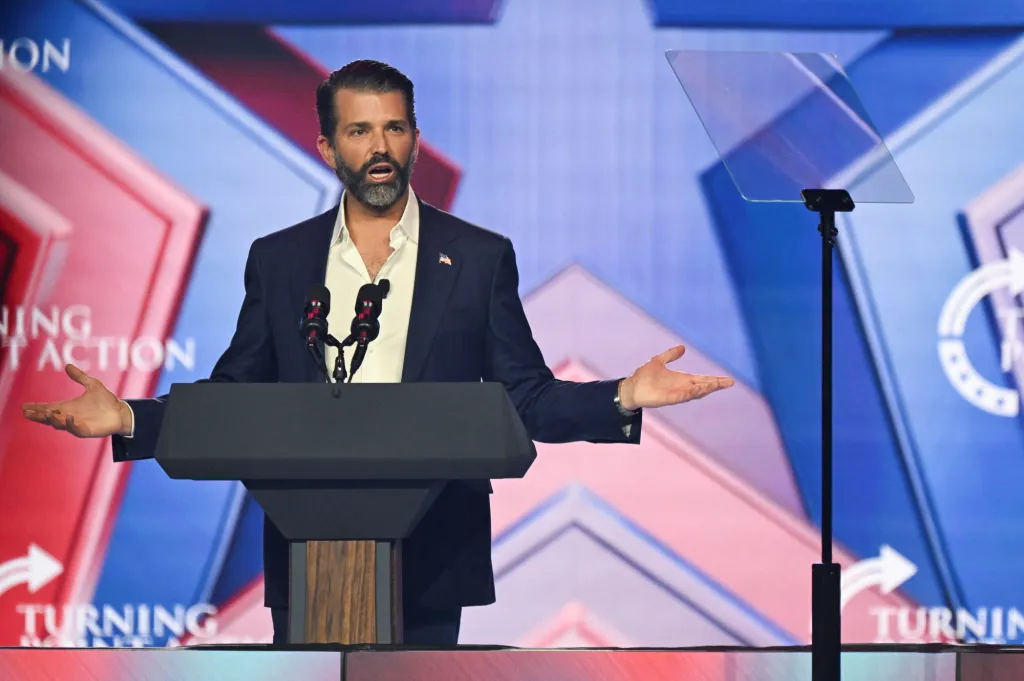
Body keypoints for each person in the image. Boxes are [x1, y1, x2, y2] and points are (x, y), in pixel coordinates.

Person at [22, 59, 734, 646]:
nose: (380, 146)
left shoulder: (477, 257)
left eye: (394, 127)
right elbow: (235, 397)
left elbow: (525, 398)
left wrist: (622, 396)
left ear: (416, 139)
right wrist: (132, 419)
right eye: (359, 130)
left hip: (433, 550)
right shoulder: (279, 260)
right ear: (328, 148)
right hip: (309, 550)